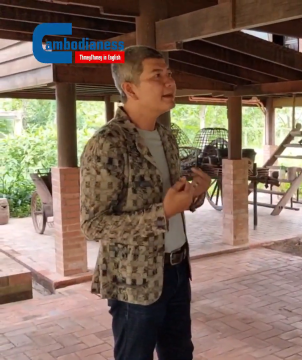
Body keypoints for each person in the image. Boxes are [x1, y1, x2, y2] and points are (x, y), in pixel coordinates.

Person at [79, 45, 211, 360]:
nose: (170, 82)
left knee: (180, 354)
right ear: (130, 88)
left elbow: (172, 200)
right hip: (134, 282)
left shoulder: (165, 136)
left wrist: (194, 194)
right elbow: (93, 225)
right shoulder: (107, 144)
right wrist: (162, 212)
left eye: (169, 74)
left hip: (178, 271)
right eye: (157, 76)